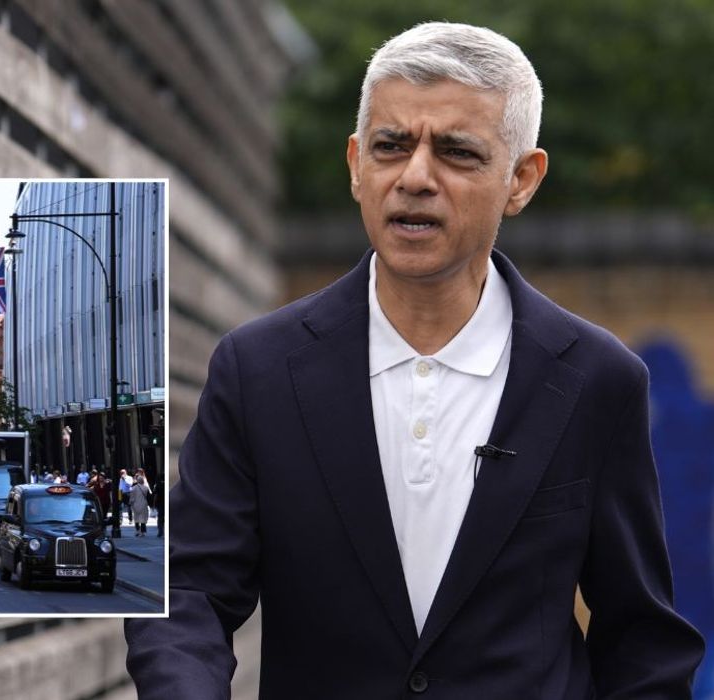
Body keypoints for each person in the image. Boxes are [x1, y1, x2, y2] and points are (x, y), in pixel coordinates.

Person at [125, 22, 703, 699]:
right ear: (354, 164)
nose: (415, 177)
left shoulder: (596, 379)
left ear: (520, 179)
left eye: (457, 152)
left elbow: (641, 639)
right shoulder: (257, 369)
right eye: (390, 146)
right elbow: (188, 592)